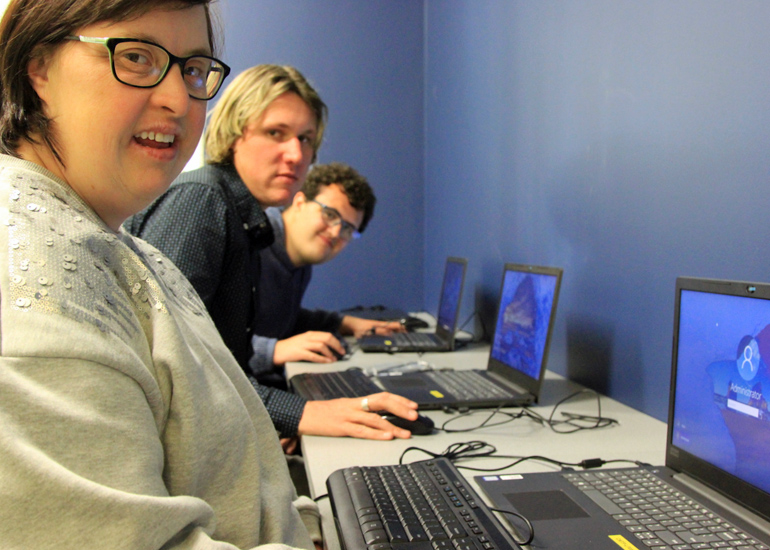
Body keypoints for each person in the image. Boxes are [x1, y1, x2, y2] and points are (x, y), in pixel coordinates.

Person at [0, 1, 414, 547]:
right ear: (39, 68)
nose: (176, 97)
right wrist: (303, 413)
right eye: (137, 56)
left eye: (193, 71)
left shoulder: (113, 241)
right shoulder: (40, 270)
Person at [126, 65, 413, 442]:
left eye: (306, 139)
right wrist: (300, 412)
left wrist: (278, 418)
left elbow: (222, 363)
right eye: (276, 133)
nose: (296, 154)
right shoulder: (203, 201)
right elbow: (177, 366)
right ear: (234, 134)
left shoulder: (246, 220)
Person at [248, 162, 392, 387]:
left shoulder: (299, 259)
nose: (336, 232)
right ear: (299, 202)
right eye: (329, 214)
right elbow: (201, 343)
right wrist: (273, 351)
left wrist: (345, 323)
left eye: (347, 229)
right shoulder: (250, 243)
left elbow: (279, 318)